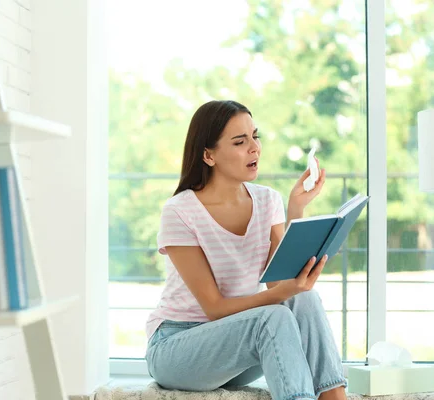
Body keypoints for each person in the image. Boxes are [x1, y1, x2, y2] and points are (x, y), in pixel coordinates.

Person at [145, 100, 347, 400]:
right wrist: (279, 296)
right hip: (177, 347)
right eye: (240, 141)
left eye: (255, 136)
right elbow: (213, 308)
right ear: (208, 155)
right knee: (274, 317)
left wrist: (295, 210)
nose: (255, 148)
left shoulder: (268, 200)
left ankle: (334, 398)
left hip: (238, 346)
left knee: (304, 299)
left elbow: (279, 283)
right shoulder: (180, 211)